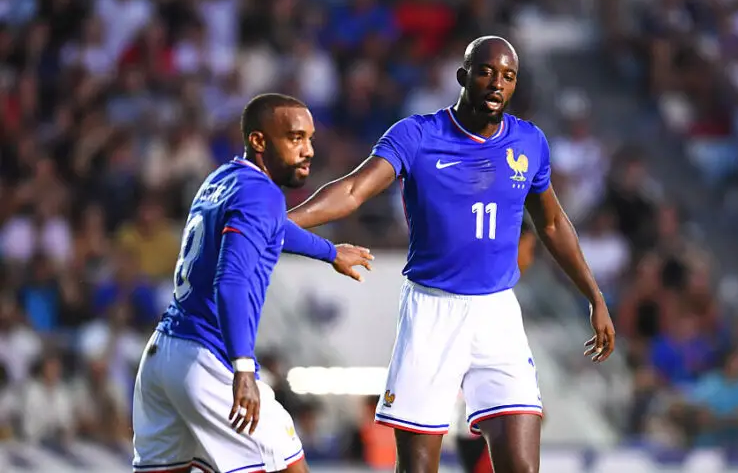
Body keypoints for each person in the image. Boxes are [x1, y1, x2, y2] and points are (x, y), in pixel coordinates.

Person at [288, 36, 616, 473]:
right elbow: (351, 191)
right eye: (486, 71)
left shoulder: (529, 142)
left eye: (509, 76)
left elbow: (553, 224)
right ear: (463, 76)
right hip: (431, 312)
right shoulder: (417, 135)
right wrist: (279, 224)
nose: (497, 83)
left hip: (497, 315)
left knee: (522, 466)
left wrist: (593, 294)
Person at [132, 93, 373, 473]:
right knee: (288, 468)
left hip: (163, 356)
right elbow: (230, 281)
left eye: (310, 138)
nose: (308, 150)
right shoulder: (262, 194)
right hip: (211, 359)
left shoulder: (222, 179)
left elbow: (270, 232)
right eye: (295, 138)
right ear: (259, 141)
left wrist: (330, 252)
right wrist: (242, 368)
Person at [455, 218, 537, 473]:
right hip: (484, 417)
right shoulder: (481, 295)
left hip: (477, 419)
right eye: (530, 249)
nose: (531, 260)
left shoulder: (499, 293)